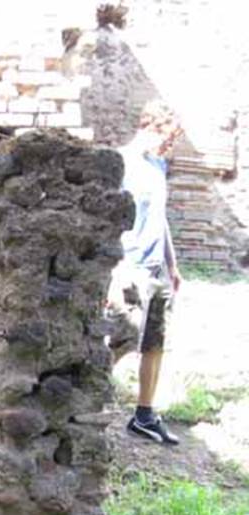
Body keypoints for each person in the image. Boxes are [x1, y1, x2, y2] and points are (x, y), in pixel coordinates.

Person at [106, 100, 184, 445]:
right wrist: (116, 267)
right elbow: (111, 217)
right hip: (131, 267)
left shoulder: (158, 164)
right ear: (151, 126)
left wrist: (173, 263)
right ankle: (80, 400)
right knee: (120, 339)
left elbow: (160, 217)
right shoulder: (122, 163)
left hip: (157, 270)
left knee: (155, 343)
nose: (170, 146)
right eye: (168, 138)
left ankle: (144, 415)